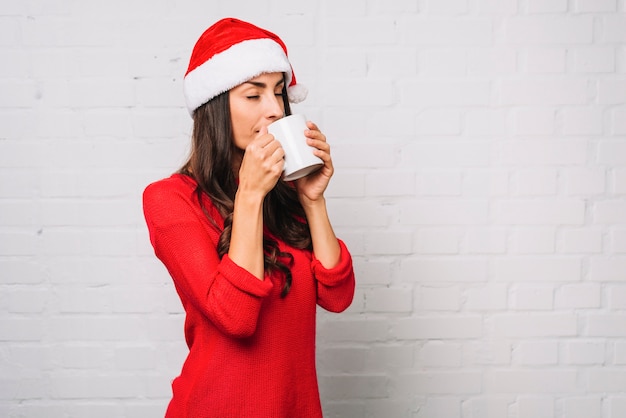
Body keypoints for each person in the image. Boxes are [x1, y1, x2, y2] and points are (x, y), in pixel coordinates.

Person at [142, 18, 356, 418]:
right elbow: (236, 318)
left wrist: (312, 199)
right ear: (215, 105)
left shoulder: (286, 194)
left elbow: (338, 296)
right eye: (253, 95)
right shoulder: (169, 200)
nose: (275, 109)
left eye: (279, 93)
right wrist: (251, 194)